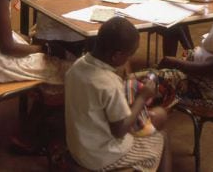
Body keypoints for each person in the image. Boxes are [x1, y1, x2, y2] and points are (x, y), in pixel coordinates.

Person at [65, 17, 171, 172]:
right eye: (129, 55)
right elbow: (120, 131)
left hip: (79, 149)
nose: (129, 59)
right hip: (103, 157)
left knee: (152, 121)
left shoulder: (77, 67)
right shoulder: (108, 83)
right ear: (116, 56)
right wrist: (142, 97)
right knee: (162, 138)